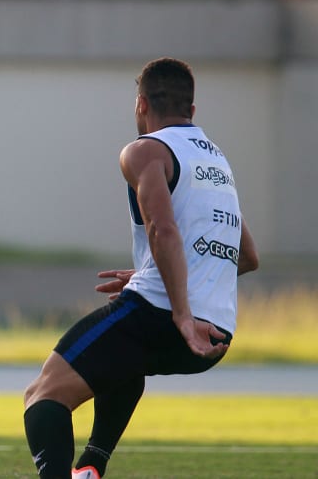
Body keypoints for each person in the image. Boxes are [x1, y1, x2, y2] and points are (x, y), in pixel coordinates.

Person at [22, 57, 259, 479]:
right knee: (120, 363)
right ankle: (90, 468)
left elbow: (162, 230)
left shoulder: (145, 150)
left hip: (164, 314)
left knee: (44, 396)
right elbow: (246, 256)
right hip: (219, 330)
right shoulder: (218, 164)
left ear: (141, 105)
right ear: (192, 110)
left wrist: (181, 314)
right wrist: (165, 277)